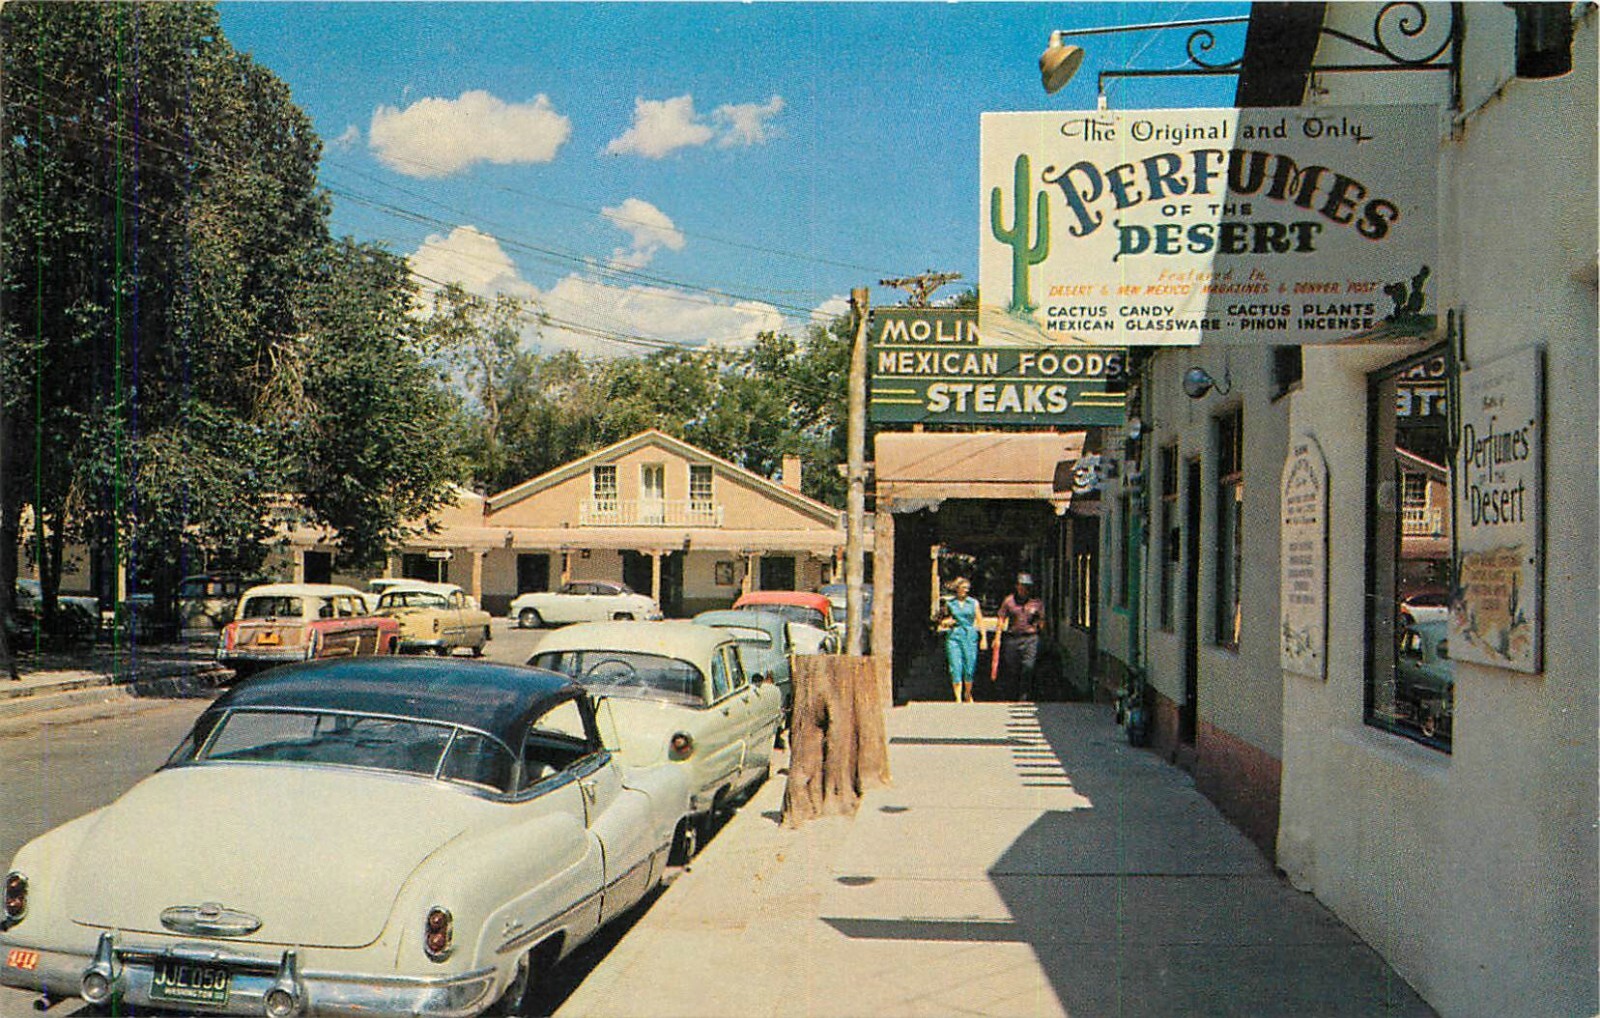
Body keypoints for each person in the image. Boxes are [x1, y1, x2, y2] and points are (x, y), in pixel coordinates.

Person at [997, 572, 1045, 701]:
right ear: (1017, 586)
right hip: (1013, 638)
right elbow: (1001, 618)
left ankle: (1024, 696)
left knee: (1028, 666)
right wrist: (997, 637)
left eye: (1027, 586)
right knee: (1012, 668)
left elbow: (1042, 621)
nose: (1024, 589)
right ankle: (1011, 693)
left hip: (1030, 638)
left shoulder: (1036, 603)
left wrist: (1040, 625)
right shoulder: (1009, 601)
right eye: (1022, 586)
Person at [937, 577, 985, 703]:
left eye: (967, 588)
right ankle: (957, 697)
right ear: (957, 589)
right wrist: (946, 622)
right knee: (955, 665)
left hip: (969, 634)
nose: (965, 590)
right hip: (954, 636)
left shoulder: (973, 603)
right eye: (963, 588)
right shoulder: (949, 604)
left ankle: (968, 693)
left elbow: (980, 620)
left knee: (969, 666)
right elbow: (940, 621)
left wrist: (983, 638)